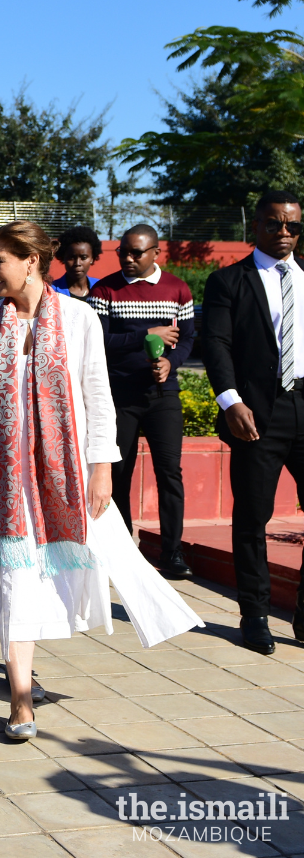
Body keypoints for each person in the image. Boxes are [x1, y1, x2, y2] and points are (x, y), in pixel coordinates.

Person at [0, 221, 202, 741]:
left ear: (31, 263)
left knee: (64, 572)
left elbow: (97, 396)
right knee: (13, 580)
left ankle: (25, 673)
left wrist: (102, 468)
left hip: (65, 476)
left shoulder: (79, 318)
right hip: (5, 479)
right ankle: (20, 699)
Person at [204, 191, 304, 654]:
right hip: (256, 414)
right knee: (252, 520)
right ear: (257, 227)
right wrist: (230, 401)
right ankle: (255, 616)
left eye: (293, 226)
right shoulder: (229, 281)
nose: (284, 233)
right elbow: (217, 345)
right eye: (274, 224)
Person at [89, 224, 195, 581]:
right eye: (123, 252)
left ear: (156, 254)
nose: (129, 258)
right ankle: (121, 551)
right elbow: (98, 341)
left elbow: (190, 340)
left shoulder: (178, 289)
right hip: (119, 396)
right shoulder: (104, 290)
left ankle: (172, 552)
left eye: (137, 252)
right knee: (118, 473)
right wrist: (146, 334)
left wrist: (171, 362)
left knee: (170, 474)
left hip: (163, 396)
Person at [50, 226, 101, 299]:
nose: (77, 263)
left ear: (92, 258)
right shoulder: (50, 290)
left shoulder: (101, 287)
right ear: (63, 257)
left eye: (83, 258)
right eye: (71, 257)